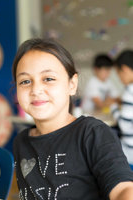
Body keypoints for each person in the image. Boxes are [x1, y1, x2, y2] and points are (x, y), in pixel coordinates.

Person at [12, 38, 133, 199]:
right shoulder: (21, 142)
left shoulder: (93, 133)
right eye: (25, 81)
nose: (36, 89)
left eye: (48, 79)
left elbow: (123, 189)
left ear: (72, 84)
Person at [111, 50, 133, 166]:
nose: (120, 79)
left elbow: (124, 126)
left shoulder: (130, 91)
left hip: (130, 154)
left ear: (124, 69)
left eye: (119, 74)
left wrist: (113, 108)